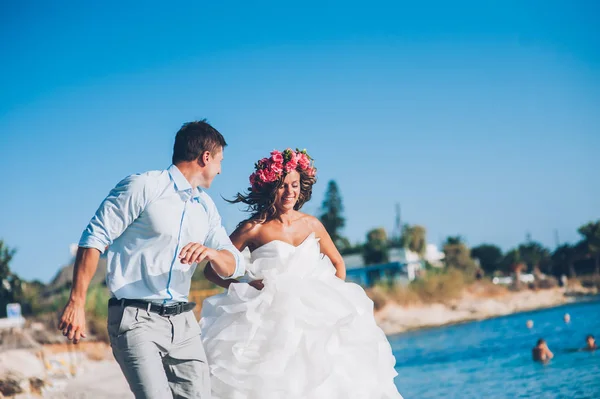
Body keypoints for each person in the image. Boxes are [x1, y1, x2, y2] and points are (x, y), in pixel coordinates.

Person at [58, 120, 245, 398]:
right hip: (135, 320)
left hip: (183, 323)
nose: (220, 169)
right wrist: (77, 301)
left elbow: (235, 264)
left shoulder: (205, 207)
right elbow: (94, 237)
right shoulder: (144, 186)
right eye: (220, 160)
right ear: (206, 157)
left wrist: (212, 253)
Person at [200, 148, 402, 399]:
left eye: (294, 185)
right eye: (282, 186)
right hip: (267, 318)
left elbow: (338, 263)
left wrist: (330, 296)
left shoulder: (311, 224)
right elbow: (212, 270)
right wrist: (245, 284)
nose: (289, 192)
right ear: (269, 187)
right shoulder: (252, 228)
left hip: (315, 315)